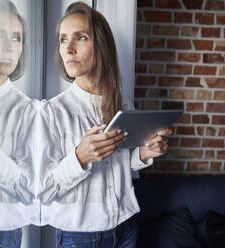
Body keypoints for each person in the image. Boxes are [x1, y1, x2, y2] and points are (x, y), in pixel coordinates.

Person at [37, 2, 172, 248]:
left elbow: (121, 164)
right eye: (62, 39)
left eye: (80, 37)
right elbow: (43, 191)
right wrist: (80, 157)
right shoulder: (51, 112)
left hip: (126, 226)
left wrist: (143, 154)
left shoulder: (123, 104)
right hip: (81, 237)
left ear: (100, 45)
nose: (68, 48)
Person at [0, 1, 35, 247]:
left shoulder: (28, 111)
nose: (9, 47)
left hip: (2, 230)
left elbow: (33, 189)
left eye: (16, 38)